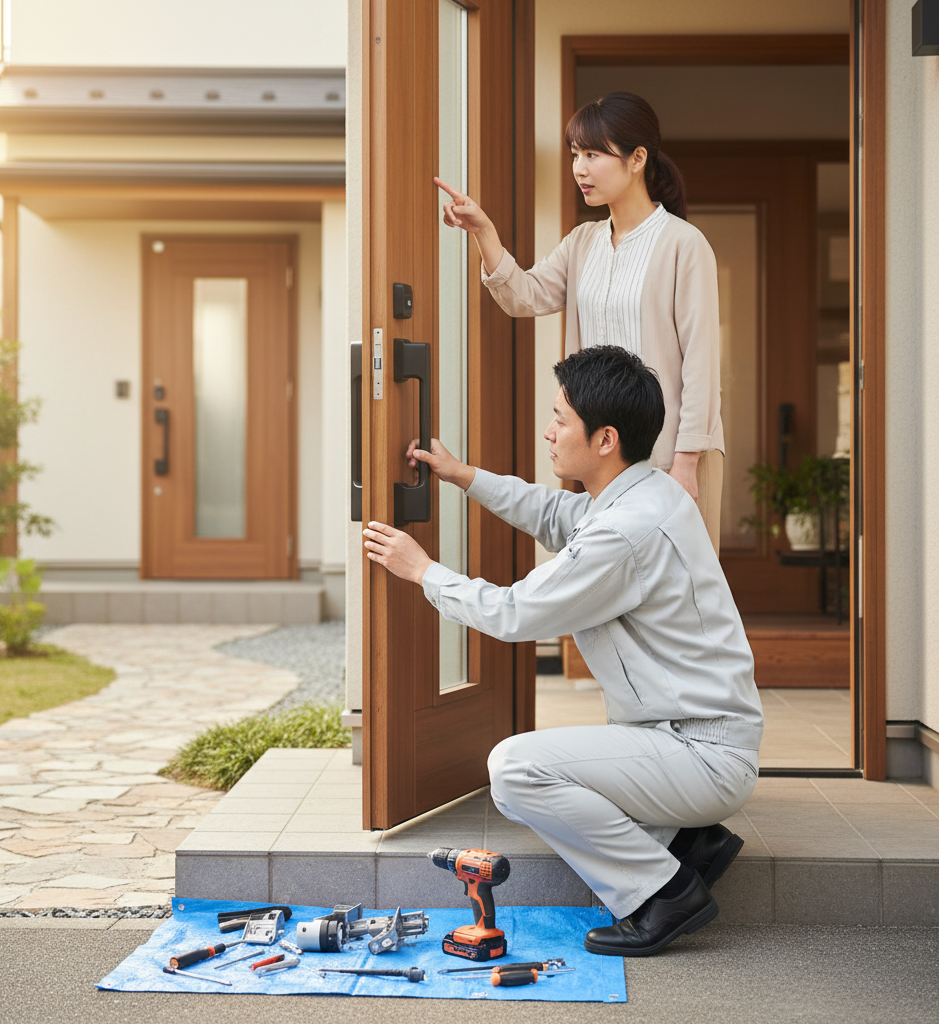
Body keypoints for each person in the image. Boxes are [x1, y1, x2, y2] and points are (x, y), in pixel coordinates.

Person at [364, 346, 763, 957]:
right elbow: (559, 514)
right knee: (558, 768)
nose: (548, 431)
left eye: (560, 419)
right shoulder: (644, 493)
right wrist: (465, 475)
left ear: (605, 439)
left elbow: (515, 613)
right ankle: (689, 844)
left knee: (516, 770)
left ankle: (667, 892)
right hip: (696, 740)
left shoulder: (625, 531)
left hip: (697, 751)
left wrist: (422, 572)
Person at [435, 91, 725, 552]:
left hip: (669, 453)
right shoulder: (582, 242)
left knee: (668, 595)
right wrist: (484, 232)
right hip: (601, 452)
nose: (579, 168)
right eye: (575, 154)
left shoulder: (683, 245)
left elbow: (701, 364)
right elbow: (523, 296)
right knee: (607, 587)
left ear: (637, 159)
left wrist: (686, 461)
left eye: (593, 154)